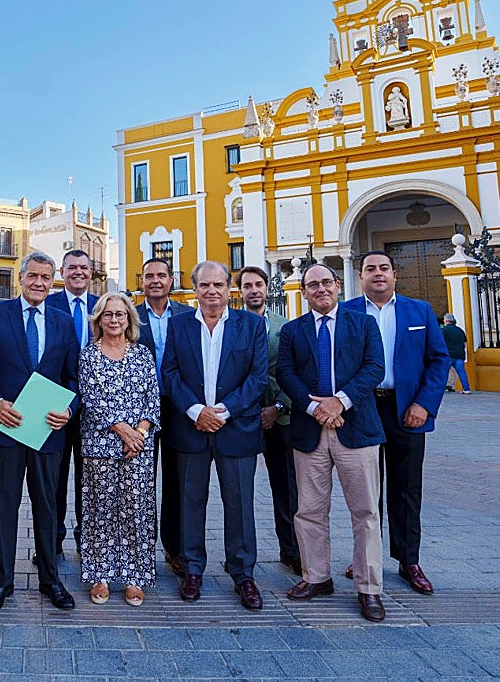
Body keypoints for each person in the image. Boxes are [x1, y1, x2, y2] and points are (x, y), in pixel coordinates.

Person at [0, 251, 80, 613]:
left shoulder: (63, 322)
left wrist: (69, 409)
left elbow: (74, 377)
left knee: (48, 507)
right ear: (20, 278)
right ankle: (2, 581)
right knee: (3, 506)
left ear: (53, 281)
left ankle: (50, 580)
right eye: (32, 276)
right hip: (3, 429)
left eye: (46, 278)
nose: (39, 283)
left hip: (48, 431)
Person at [276, 263, 387, 622]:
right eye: (313, 285)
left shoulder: (363, 323)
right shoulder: (293, 331)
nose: (320, 289)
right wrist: (314, 407)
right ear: (304, 292)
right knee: (309, 510)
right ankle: (316, 577)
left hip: (356, 429)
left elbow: (374, 368)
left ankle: (369, 588)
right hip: (310, 432)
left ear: (338, 286)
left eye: (326, 282)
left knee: (365, 512)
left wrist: (339, 401)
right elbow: (285, 374)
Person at [341, 251, 449, 596]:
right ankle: (365, 557)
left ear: (394, 274)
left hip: (407, 411)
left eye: (383, 268)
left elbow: (438, 360)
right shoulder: (347, 312)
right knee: (365, 491)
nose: (377, 274)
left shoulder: (418, 311)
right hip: (362, 409)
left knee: (405, 489)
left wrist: (424, 405)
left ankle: (408, 560)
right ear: (360, 277)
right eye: (370, 269)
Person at [161, 261, 267, 609]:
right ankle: (192, 569)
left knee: (239, 503)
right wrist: (195, 411)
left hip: (235, 429)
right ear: (194, 289)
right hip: (190, 429)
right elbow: (171, 373)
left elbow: (257, 378)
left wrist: (223, 411)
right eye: (204, 285)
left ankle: (243, 573)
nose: (211, 291)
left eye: (218, 285)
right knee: (190, 502)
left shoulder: (251, 325)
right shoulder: (179, 326)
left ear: (229, 288)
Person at [78, 292, 160, 607]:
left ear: (129, 320)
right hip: (100, 444)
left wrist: (138, 433)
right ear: (99, 320)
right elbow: (91, 397)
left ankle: (135, 577)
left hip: (138, 447)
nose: (114, 320)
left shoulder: (142, 354)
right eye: (108, 315)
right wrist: (121, 429)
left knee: (137, 512)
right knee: (100, 511)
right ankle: (100, 575)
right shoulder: (89, 355)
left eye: (120, 314)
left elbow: (152, 397)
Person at [237, 266, 301, 576]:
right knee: (239, 487)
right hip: (242, 419)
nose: (253, 290)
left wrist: (278, 406)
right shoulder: (232, 326)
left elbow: (292, 373)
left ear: (266, 289)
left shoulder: (283, 328)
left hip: (281, 418)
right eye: (247, 285)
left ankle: (291, 549)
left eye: (258, 284)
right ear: (240, 292)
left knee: (287, 487)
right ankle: (240, 556)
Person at [135, 257, 194, 574]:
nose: (155, 280)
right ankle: (140, 549)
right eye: (149, 276)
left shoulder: (187, 315)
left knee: (177, 481)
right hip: (140, 410)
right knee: (140, 482)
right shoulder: (131, 316)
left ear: (171, 280)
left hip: (178, 408)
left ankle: (175, 550)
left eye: (161, 275)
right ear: (141, 281)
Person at [44, 248, 98, 557]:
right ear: (62, 272)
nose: (78, 272)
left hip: (94, 404)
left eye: (84, 267)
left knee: (88, 475)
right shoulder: (48, 304)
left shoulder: (102, 306)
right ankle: (52, 539)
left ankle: (86, 538)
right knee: (54, 475)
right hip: (55, 401)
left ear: (91, 273)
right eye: (72, 267)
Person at [440, 314, 472, 394]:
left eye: (444, 320)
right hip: (460, 355)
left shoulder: (444, 330)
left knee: (443, 371)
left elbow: (440, 342)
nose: (443, 321)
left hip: (448, 355)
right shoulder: (460, 330)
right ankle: (466, 389)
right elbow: (465, 342)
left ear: (447, 321)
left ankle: (441, 388)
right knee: (461, 372)